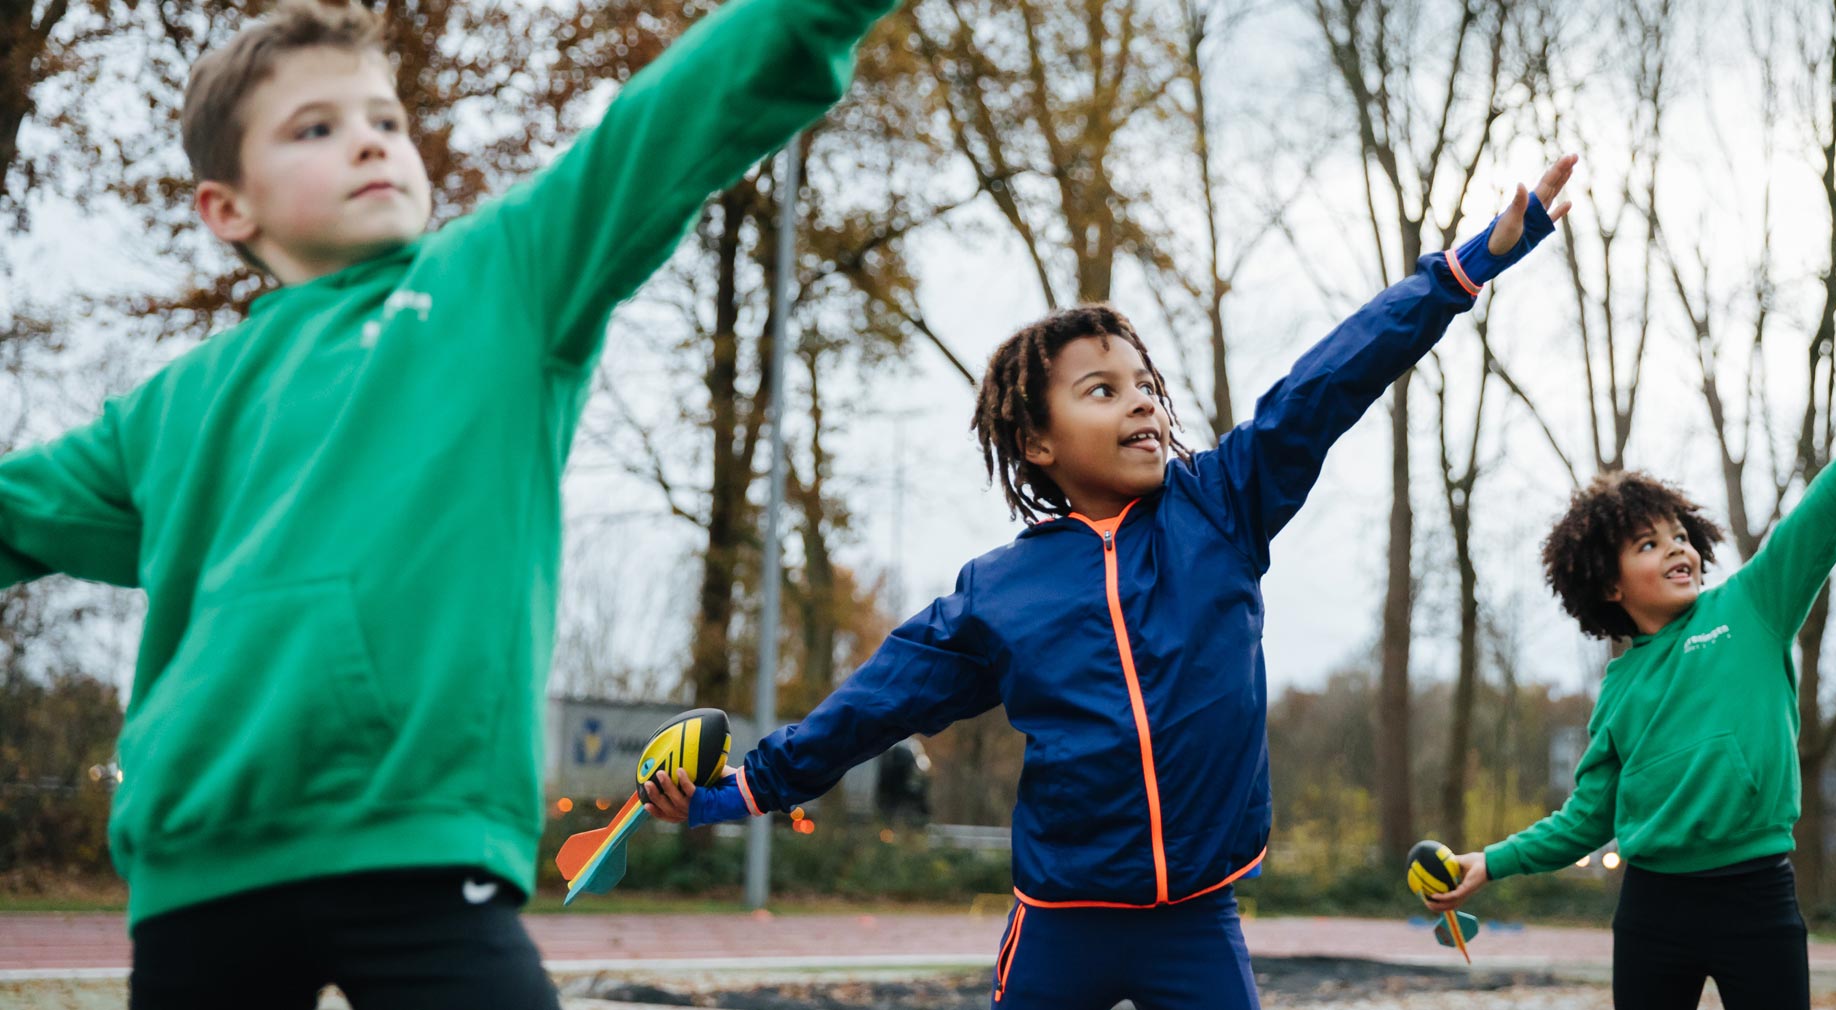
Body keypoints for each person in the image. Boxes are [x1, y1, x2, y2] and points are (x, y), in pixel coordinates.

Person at [0, 0, 899, 1004]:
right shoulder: (168, 410)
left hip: (421, 844)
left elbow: (665, 124)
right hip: (202, 862)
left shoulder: (501, 280)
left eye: (385, 119)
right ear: (227, 207)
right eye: (316, 128)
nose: (371, 144)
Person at [644, 157, 1582, 1009]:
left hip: (1198, 923)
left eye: (1145, 384)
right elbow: (874, 705)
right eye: (1101, 388)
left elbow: (1325, 382)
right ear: (1037, 443)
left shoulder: (1220, 505)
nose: (1139, 398)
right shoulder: (998, 592)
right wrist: (735, 794)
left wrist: (1463, 269)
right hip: (1060, 921)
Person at [1425, 358, 1836, 1010]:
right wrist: (1492, 861)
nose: (1678, 549)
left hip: (1756, 896)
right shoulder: (1619, 692)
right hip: (1654, 908)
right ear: (1610, 583)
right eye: (1649, 545)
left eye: (1680, 536)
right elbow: (1587, 818)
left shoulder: (1752, 607)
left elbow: (1821, 518)